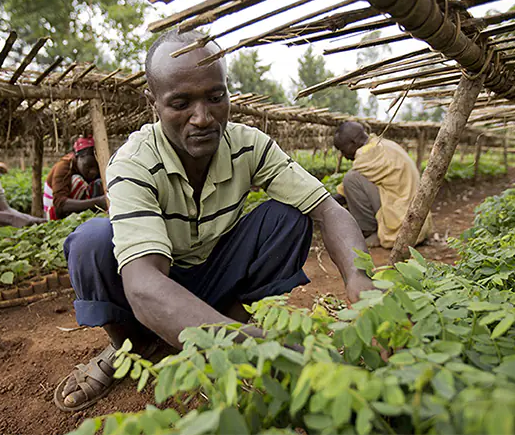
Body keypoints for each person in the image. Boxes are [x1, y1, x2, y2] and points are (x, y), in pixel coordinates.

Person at [53, 30, 375, 412]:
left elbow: (329, 209)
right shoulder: (133, 162)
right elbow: (142, 284)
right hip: (159, 280)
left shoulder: (248, 144)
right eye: (181, 102)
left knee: (290, 215)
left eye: (215, 97)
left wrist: (360, 280)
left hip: (219, 273)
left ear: (227, 91)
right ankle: (132, 346)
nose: (203, 118)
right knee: (91, 241)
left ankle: (221, 324)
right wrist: (251, 345)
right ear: (152, 102)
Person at [333, 121, 432, 248]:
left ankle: (369, 231)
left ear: (353, 143)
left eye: (343, 149)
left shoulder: (367, 153)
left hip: (401, 221)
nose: (344, 156)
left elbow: (344, 193)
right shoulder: (384, 144)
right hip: (417, 219)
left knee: (350, 179)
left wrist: (320, 204)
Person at [43, 137, 108, 221]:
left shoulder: (93, 169)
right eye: (89, 166)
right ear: (77, 157)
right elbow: (59, 204)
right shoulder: (64, 166)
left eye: (97, 167)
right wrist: (98, 202)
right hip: (55, 214)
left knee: (98, 183)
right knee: (78, 181)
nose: (94, 172)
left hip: (77, 210)